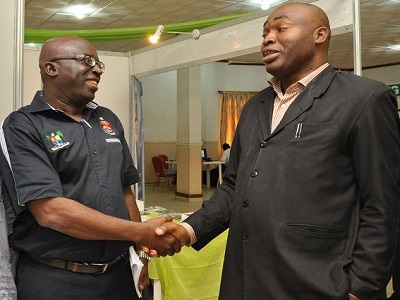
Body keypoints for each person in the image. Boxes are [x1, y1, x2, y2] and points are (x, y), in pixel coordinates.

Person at [156, 3, 400, 300]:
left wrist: (363, 284)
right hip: (245, 279)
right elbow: (234, 187)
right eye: (264, 33)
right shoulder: (254, 107)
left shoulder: (364, 99)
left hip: (318, 282)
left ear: (319, 35)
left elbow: (383, 203)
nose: (267, 39)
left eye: (280, 29)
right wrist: (188, 230)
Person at [0, 36, 180, 300]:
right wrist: (141, 232)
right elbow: (50, 212)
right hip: (56, 280)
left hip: (119, 274)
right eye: (87, 61)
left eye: (99, 62)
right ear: (51, 68)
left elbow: (125, 191)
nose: (98, 69)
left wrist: (141, 253)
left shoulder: (107, 119)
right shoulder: (23, 126)